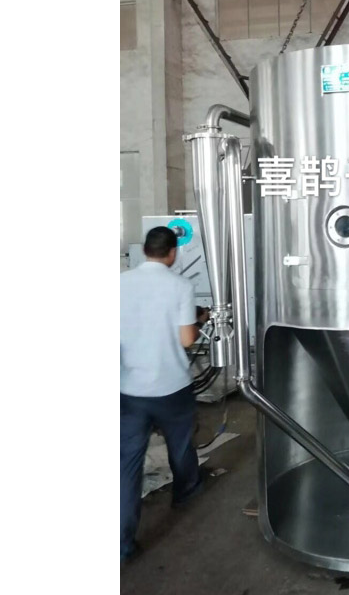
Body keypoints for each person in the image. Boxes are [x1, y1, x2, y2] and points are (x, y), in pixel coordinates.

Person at [120, 226, 208, 563]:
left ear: (145, 250)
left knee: (127, 465)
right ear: (172, 253)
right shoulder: (180, 286)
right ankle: (186, 492)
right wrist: (200, 320)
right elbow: (187, 339)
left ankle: (122, 544)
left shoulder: (119, 283)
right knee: (180, 445)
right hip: (171, 387)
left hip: (130, 388)